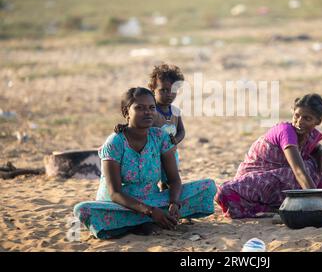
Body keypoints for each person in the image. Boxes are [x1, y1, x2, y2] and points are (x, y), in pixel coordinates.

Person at [73, 87, 216, 239]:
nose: (147, 112)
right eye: (139, 108)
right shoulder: (114, 142)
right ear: (126, 112)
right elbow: (115, 193)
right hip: (120, 206)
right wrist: (151, 212)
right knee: (82, 210)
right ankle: (145, 221)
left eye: (151, 108)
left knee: (208, 186)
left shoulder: (160, 137)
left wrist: (174, 203)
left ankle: (138, 224)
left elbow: (174, 180)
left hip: (154, 200)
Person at [215, 93, 322, 219]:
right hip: (257, 181)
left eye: (307, 118)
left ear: (318, 121)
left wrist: (320, 150)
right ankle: (316, 204)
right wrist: (318, 203)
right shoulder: (286, 131)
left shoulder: (310, 135)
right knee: (225, 191)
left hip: (279, 180)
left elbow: (313, 149)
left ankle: (314, 203)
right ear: (292, 112)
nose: (299, 122)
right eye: (296, 116)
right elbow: (298, 170)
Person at [148, 64, 185, 190]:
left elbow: (181, 131)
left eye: (173, 91)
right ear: (153, 89)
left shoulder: (175, 111)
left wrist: (177, 140)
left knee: (169, 182)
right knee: (151, 181)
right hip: (152, 156)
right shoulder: (150, 111)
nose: (169, 94)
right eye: (163, 90)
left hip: (171, 154)